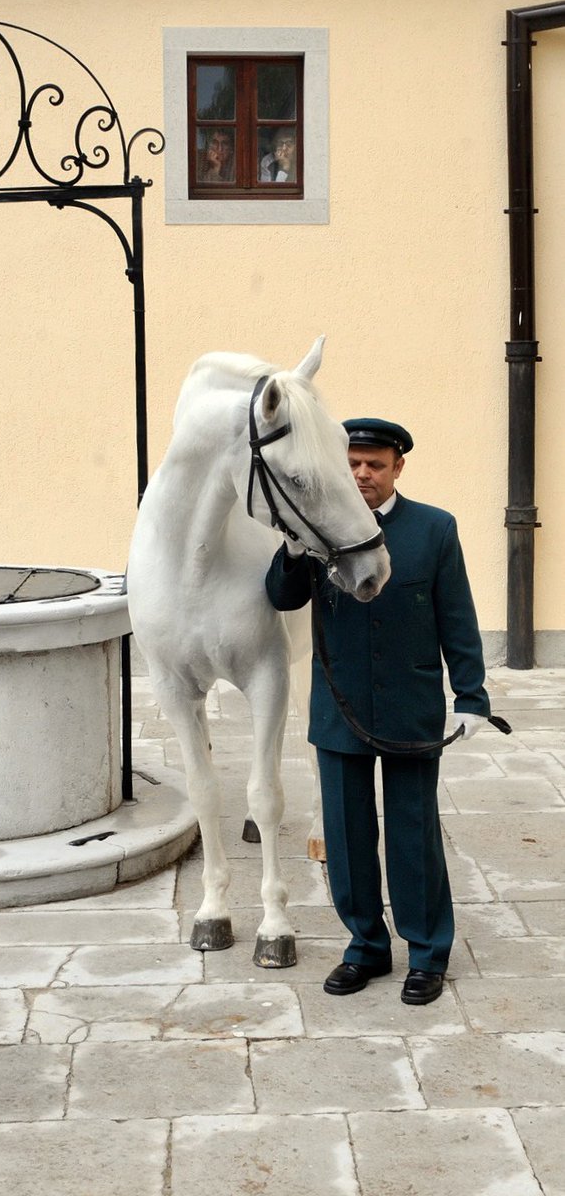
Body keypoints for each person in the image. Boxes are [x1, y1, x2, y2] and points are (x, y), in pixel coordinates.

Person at [265, 419, 492, 1006]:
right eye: (353, 463)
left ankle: (426, 953)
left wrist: (471, 695)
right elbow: (281, 597)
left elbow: (457, 617)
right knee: (346, 837)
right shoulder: (320, 527)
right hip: (339, 707)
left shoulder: (434, 528)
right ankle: (364, 948)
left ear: (397, 467)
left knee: (413, 836)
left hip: (410, 706)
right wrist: (292, 548)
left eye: (375, 464)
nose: (363, 474)